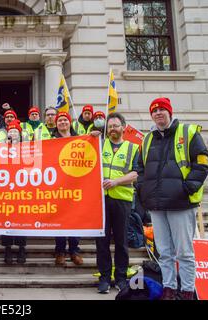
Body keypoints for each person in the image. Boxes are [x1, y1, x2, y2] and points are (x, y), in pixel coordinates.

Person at [136, 97, 208, 300]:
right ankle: (168, 289)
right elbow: (139, 169)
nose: (158, 113)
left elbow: (201, 163)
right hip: (157, 205)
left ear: (170, 112)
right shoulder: (147, 139)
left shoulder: (188, 133)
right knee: (164, 252)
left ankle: (187, 291)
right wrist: (142, 189)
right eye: (154, 110)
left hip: (181, 203)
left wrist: (187, 188)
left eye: (162, 109)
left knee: (184, 253)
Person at [97, 112, 139, 294]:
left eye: (116, 125)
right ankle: (104, 278)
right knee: (102, 241)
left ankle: (121, 278)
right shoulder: (99, 144)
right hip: (101, 200)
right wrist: (91, 136)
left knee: (121, 241)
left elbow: (136, 173)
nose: (113, 128)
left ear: (123, 127)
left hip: (122, 199)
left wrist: (116, 181)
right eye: (110, 126)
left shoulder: (133, 148)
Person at [52, 112, 83, 267]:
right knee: (59, 220)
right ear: (56, 124)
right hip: (57, 186)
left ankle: (74, 251)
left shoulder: (80, 140)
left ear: (70, 123)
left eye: (65, 120)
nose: (62, 122)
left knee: (74, 220)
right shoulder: (51, 141)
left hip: (76, 185)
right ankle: (59, 251)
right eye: (60, 120)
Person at [1, 120, 27, 264]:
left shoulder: (27, 148)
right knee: (5, 219)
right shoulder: (0, 149)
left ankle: (22, 249)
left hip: (22, 190)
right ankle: (8, 249)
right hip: (6, 189)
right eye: (10, 131)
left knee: (22, 220)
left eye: (15, 131)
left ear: (20, 134)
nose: (12, 133)